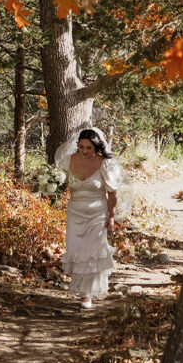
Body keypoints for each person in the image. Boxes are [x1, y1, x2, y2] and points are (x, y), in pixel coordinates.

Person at [54, 127, 125, 309]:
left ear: (97, 148)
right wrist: (48, 184)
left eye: (89, 148)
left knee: (93, 252)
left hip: (97, 213)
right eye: (81, 147)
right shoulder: (67, 161)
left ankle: (87, 294)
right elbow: (58, 182)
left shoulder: (105, 164)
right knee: (77, 250)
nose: (84, 151)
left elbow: (113, 194)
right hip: (75, 213)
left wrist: (111, 216)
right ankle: (82, 288)